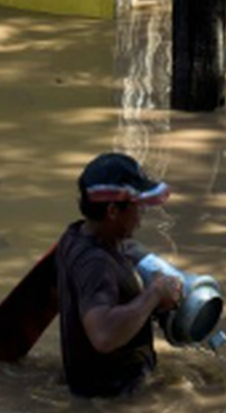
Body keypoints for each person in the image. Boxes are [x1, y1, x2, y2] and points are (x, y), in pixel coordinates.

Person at [56, 153, 182, 397]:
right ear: (113, 211)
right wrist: (154, 294)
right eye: (137, 206)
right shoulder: (96, 263)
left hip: (94, 387)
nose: (142, 214)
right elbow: (103, 335)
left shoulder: (73, 237)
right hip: (114, 397)